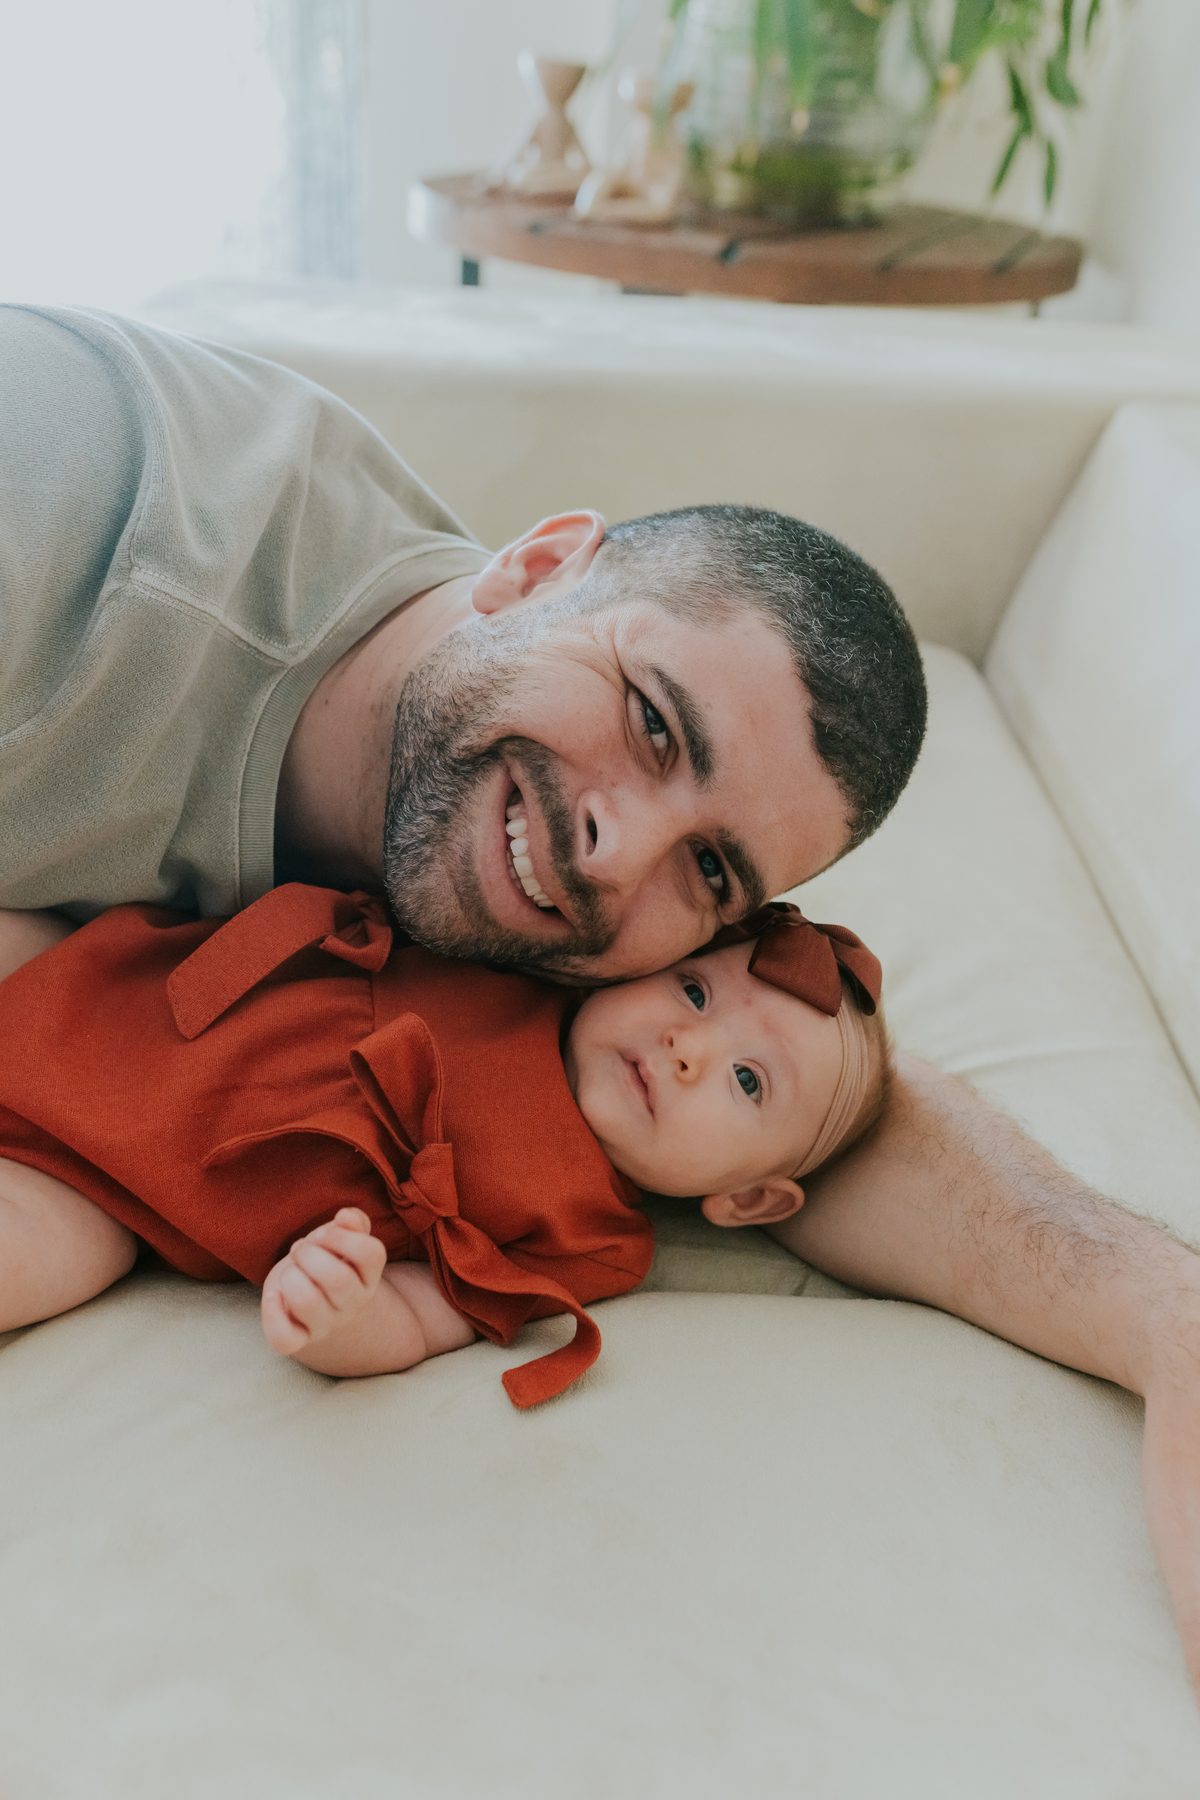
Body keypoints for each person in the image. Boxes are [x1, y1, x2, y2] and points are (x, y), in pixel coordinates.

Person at [4, 304, 1200, 1695]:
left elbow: (838, 1109)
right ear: (537, 566)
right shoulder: (80, 539)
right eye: (649, 722)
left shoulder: (521, 864)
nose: (610, 854)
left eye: (707, 871)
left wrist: (1166, 1324)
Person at [0, 890, 886, 1408]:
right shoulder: (541, 960)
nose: (688, 1048)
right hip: (107, 978)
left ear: (751, 1201)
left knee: (25, 1262)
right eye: (693, 991)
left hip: (107, 1188)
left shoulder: (595, 1242)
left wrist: (345, 1319)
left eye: (747, 1082)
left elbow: (429, 1320)